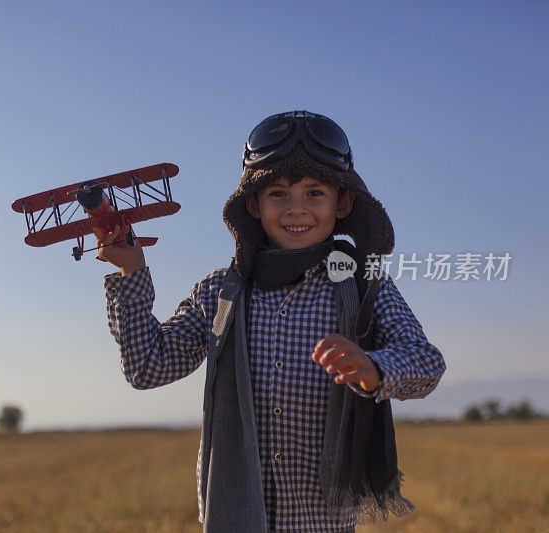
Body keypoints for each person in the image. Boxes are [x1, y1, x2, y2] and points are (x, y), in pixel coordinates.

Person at [93, 111, 445, 532]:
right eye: (277, 194)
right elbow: (147, 368)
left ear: (343, 203)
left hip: (323, 524)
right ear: (254, 205)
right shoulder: (219, 293)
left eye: (315, 193)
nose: (297, 209)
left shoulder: (363, 286)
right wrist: (131, 271)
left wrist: (373, 369)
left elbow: (426, 362)